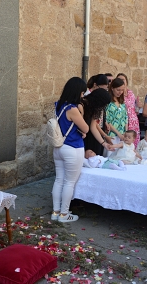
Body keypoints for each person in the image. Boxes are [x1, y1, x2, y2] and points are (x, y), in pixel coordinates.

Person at [51, 77, 89, 223]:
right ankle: (64, 214)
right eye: (82, 92)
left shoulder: (59, 105)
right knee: (69, 182)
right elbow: (85, 128)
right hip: (73, 147)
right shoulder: (73, 109)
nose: (82, 95)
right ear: (77, 92)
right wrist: (81, 111)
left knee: (59, 180)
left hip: (59, 147)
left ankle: (55, 212)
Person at [82, 88, 112, 155]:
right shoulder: (83, 104)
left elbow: (93, 127)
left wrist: (103, 143)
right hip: (81, 135)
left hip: (90, 135)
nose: (103, 107)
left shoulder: (96, 109)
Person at [105, 78, 128, 156]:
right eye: (118, 90)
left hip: (122, 135)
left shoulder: (122, 102)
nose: (120, 92)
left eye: (122, 90)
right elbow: (108, 120)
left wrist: (126, 133)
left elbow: (125, 118)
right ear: (112, 88)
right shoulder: (108, 102)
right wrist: (118, 134)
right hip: (113, 135)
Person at [117, 73, 140, 148]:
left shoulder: (131, 93)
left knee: (134, 140)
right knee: (126, 140)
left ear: (126, 81)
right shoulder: (118, 94)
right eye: (119, 80)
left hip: (134, 121)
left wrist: (138, 106)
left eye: (123, 79)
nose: (121, 81)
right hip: (124, 121)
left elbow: (134, 106)